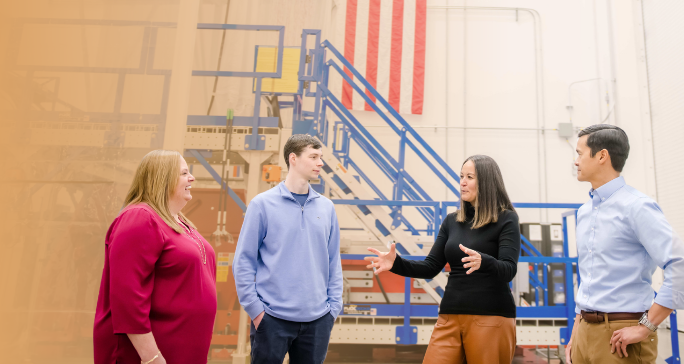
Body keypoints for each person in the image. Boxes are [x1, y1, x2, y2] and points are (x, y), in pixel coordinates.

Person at [366, 155, 520, 364]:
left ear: (486, 182)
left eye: (470, 177)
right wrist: (396, 264)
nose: (462, 182)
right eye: (461, 176)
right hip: (450, 316)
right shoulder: (452, 220)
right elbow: (430, 267)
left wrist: (485, 261)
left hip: (491, 317)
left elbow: (509, 269)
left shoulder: (506, 218)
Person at [565, 125, 684, 364]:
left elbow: (683, 270)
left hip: (621, 336)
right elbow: (588, 279)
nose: (575, 161)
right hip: (584, 332)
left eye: (579, 153)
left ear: (602, 156)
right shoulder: (585, 212)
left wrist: (646, 326)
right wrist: (577, 332)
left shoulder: (637, 207)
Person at [93, 150, 216, 364]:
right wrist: (152, 357)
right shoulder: (140, 218)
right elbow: (127, 295)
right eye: (184, 173)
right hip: (149, 355)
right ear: (162, 178)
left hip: (182, 352)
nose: (192, 178)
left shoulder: (179, 222)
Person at [233, 134, 342, 364]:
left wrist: (333, 309)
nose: (320, 163)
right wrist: (257, 311)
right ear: (293, 158)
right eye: (313, 157)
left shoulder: (327, 207)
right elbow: (243, 261)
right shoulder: (262, 205)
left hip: (318, 320)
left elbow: (333, 261)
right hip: (272, 319)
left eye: (320, 157)